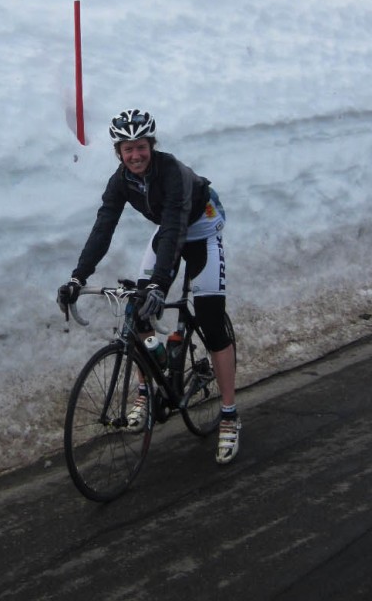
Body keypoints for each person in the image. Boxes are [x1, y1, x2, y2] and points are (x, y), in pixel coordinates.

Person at [57, 109, 240, 464]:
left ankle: (230, 415)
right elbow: (103, 227)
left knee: (210, 319)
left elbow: (173, 226)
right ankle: (146, 390)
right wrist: (78, 277)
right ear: (119, 154)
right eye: (128, 150)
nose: (135, 155)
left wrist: (160, 283)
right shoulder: (121, 180)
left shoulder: (171, 173)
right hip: (169, 231)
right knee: (136, 310)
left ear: (151, 146)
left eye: (141, 147)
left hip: (200, 228)